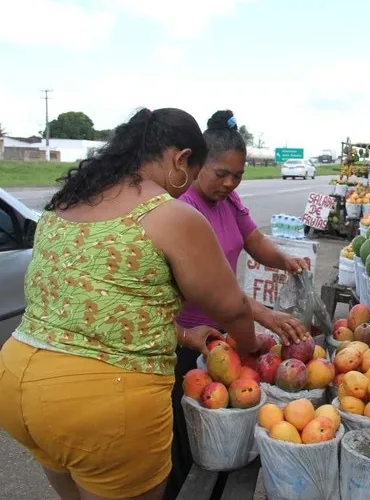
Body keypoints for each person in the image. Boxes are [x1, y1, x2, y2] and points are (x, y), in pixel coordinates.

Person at [0, 108, 258, 500]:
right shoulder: (170, 216)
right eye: (194, 171)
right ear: (179, 159)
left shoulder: (62, 207)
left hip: (17, 385)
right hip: (102, 403)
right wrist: (250, 356)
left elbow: (101, 304)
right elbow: (233, 309)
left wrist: (185, 335)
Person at [164, 110, 311, 498]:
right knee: (186, 440)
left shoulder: (229, 201)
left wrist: (285, 260)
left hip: (224, 335)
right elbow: (207, 286)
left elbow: (253, 240)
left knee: (223, 431)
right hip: (189, 338)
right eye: (220, 173)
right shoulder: (185, 209)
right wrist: (260, 314)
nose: (229, 182)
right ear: (196, 166)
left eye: (238, 175)